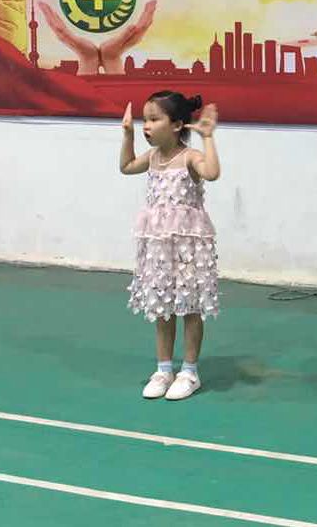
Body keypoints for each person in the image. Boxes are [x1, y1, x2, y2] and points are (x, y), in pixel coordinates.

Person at [120, 91, 221, 401]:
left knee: (190, 308)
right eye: (144, 120)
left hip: (189, 247)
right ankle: (164, 369)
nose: (147, 126)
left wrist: (207, 138)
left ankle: (189, 372)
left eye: (154, 119)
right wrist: (128, 135)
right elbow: (126, 166)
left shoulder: (189, 157)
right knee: (163, 308)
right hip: (159, 248)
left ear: (177, 125)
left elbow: (212, 173)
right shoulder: (152, 158)